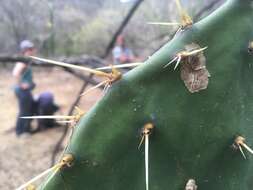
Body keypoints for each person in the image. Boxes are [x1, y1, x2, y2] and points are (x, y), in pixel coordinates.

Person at [12, 40, 36, 136]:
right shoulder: (23, 61)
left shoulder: (27, 60)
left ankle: (26, 129)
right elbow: (15, 73)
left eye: (32, 49)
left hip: (25, 91)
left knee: (27, 110)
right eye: (30, 49)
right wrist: (21, 84)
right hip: (23, 91)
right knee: (24, 111)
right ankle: (20, 131)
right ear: (25, 50)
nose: (32, 51)